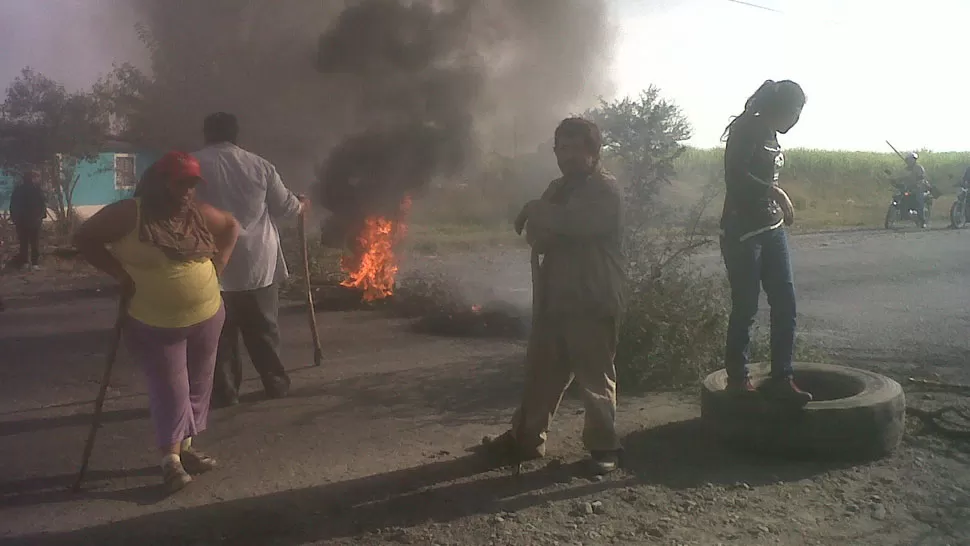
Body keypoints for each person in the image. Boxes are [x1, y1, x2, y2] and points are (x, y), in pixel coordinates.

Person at [73, 151, 240, 493]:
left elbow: (231, 226)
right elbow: (84, 238)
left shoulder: (195, 215)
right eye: (181, 183)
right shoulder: (128, 214)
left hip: (208, 314)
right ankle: (171, 461)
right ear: (160, 181)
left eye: (193, 185)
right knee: (170, 390)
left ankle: (187, 448)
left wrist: (217, 267)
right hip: (154, 319)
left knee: (198, 386)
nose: (188, 191)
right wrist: (119, 274)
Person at [487, 117, 626, 475]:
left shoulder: (605, 189)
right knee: (541, 374)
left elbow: (580, 224)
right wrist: (548, 219)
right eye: (561, 148)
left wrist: (539, 211)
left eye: (574, 148)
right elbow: (538, 236)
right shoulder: (556, 189)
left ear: (593, 151)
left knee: (594, 377)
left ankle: (603, 449)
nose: (566, 156)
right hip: (555, 297)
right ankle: (526, 440)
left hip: (592, 297)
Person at [192, 112, 309, 408]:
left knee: (220, 335)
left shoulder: (192, 166)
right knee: (264, 329)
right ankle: (276, 385)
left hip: (212, 265)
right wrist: (301, 204)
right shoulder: (260, 166)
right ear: (236, 135)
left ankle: (226, 392)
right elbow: (285, 207)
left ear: (206, 133)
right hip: (258, 264)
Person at [719, 79, 812, 406]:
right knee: (745, 306)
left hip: (771, 228)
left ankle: (782, 378)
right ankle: (738, 378)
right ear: (781, 108)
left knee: (785, 303)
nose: (796, 120)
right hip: (742, 232)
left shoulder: (771, 134)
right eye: (795, 112)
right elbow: (735, 176)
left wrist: (778, 207)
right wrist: (775, 192)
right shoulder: (747, 128)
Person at [9, 170, 48, 270]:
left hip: (22, 221)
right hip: (35, 221)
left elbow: (13, 206)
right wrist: (41, 216)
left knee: (24, 242)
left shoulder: (18, 190)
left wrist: (15, 219)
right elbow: (43, 204)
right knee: (34, 242)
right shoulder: (37, 190)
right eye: (36, 177)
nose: (37, 179)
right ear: (32, 179)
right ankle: (35, 264)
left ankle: (25, 263)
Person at [892, 151, 932, 228]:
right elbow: (902, 177)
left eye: (912, 160)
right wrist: (895, 180)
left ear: (914, 160)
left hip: (919, 188)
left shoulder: (919, 168)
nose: (910, 161)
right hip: (908, 188)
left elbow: (921, 178)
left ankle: (922, 221)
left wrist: (916, 183)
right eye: (909, 160)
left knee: (919, 202)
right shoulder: (906, 169)